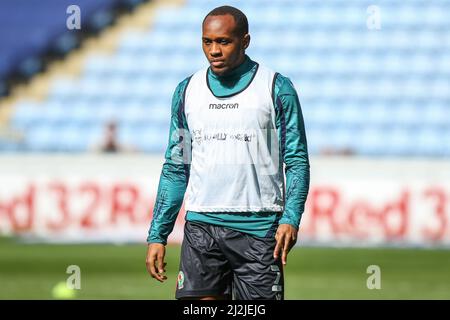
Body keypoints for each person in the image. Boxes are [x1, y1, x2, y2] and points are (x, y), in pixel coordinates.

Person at [145, 5, 310, 300]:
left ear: (245, 41)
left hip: (258, 228)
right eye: (207, 42)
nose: (214, 51)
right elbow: (176, 166)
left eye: (224, 41)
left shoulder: (275, 88)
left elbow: (296, 160)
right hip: (201, 227)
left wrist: (291, 217)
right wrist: (158, 234)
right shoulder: (187, 91)